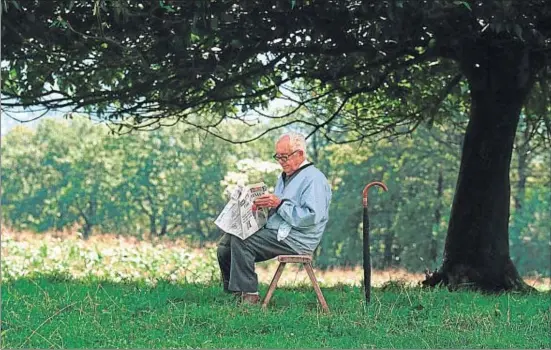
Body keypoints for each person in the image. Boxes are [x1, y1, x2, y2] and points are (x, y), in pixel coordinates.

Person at [216, 131, 332, 304]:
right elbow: (279, 207)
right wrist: (260, 206)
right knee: (226, 243)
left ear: (300, 154)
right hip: (278, 229)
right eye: (278, 157)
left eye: (284, 157)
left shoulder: (314, 179)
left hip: (297, 238)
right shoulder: (286, 175)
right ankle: (235, 292)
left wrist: (278, 204)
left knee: (242, 241)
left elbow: (310, 217)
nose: (281, 162)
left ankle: (249, 297)